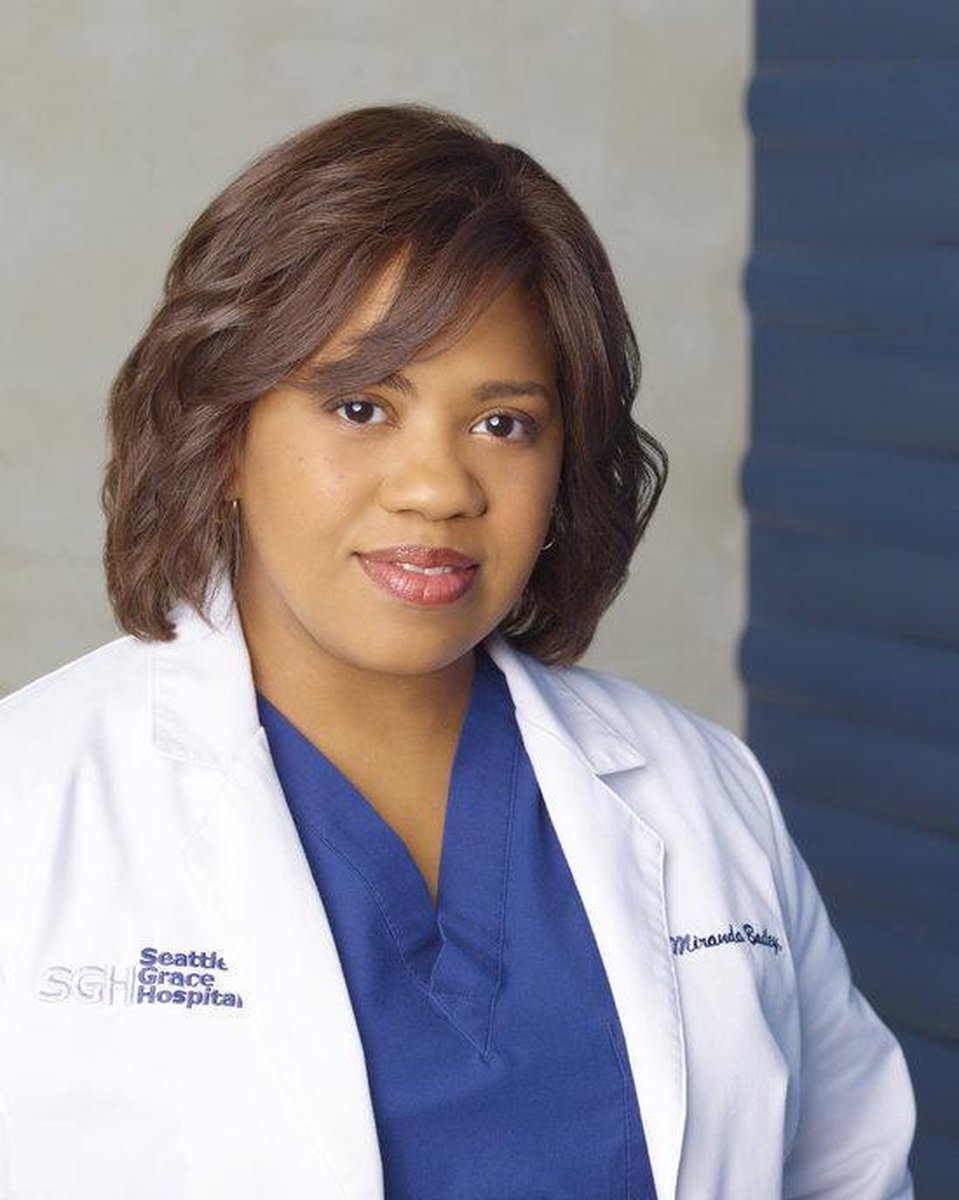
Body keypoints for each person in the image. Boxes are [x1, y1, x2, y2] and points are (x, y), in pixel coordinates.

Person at [0, 104, 914, 1200]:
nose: (438, 488)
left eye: (502, 424)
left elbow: (850, 1170)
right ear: (224, 432)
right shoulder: (30, 805)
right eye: (360, 406)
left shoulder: (700, 789)